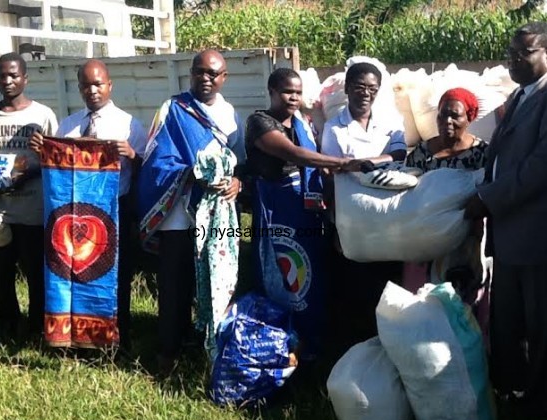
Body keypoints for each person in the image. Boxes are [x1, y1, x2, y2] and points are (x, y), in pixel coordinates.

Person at [138, 49, 245, 371]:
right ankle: (168, 352)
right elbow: (154, 158)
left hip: (216, 216)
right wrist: (192, 173)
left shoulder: (231, 116)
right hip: (177, 216)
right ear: (191, 73)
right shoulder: (173, 108)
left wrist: (237, 182)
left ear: (224, 77)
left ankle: (209, 350)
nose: (206, 79)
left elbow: (239, 162)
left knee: (216, 282)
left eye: (213, 73)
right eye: (200, 72)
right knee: (174, 284)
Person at [464, 21, 547, 418]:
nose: (514, 60)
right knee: (509, 318)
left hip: (537, 235)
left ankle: (538, 403)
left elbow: (542, 166)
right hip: (512, 232)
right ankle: (514, 393)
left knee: (540, 323)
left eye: (525, 52)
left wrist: (488, 198)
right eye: (511, 52)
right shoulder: (520, 95)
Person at [30, 59, 147, 351]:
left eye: (98, 84)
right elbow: (56, 168)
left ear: (110, 85)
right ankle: (73, 338)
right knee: (71, 274)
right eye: (86, 85)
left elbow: (150, 170)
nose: (92, 90)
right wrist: (43, 150)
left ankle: (117, 339)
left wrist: (132, 154)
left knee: (113, 275)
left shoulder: (130, 125)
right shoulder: (69, 125)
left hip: (114, 212)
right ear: (79, 87)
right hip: (70, 218)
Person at [245, 67, 353, 359]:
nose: (293, 98)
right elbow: (292, 154)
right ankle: (276, 347)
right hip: (276, 213)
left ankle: (310, 348)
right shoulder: (259, 123)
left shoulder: (304, 124)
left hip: (307, 214)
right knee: (277, 277)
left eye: (297, 92)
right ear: (271, 92)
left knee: (311, 277)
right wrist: (340, 162)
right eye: (286, 92)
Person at [321, 62, 407, 353]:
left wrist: (369, 162)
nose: (365, 94)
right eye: (359, 87)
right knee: (353, 285)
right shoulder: (335, 128)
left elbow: (399, 152)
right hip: (352, 221)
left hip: (386, 220)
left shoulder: (390, 123)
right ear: (347, 89)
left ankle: (386, 347)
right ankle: (353, 352)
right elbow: (333, 171)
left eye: (372, 89)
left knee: (386, 285)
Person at [0, 52, 58, 338]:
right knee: (3, 272)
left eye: (13, 75)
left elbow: (56, 159)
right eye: (1, 76)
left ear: (25, 78)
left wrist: (28, 172)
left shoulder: (42, 115)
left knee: (35, 273)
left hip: (33, 208)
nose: (7, 81)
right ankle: (7, 325)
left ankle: (36, 328)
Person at [404, 87, 490, 336]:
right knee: (423, 304)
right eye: (442, 115)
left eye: (455, 116)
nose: (447, 122)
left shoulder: (481, 153)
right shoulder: (422, 152)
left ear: (469, 118)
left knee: (463, 307)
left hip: (466, 242)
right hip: (424, 241)